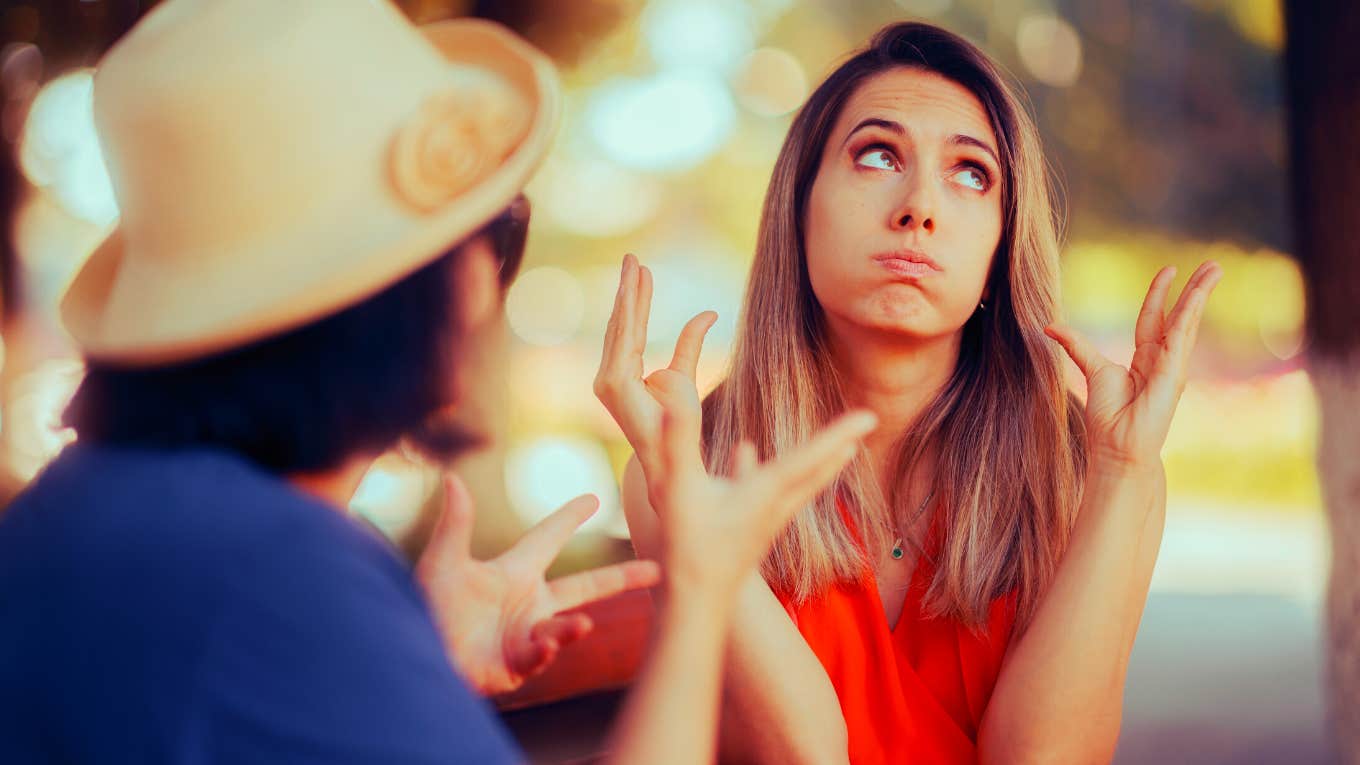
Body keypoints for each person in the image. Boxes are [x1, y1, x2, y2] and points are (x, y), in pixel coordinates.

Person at [0, 1, 877, 762]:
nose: (494, 285)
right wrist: (701, 588)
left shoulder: (76, 515)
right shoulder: (270, 579)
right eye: (492, 232)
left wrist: (409, 664)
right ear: (397, 294)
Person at [596, 21, 1223, 764]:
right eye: (877, 155)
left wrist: (1122, 472)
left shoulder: (1099, 470)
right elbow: (801, 751)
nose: (919, 206)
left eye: (970, 173)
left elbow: (1043, 757)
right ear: (797, 211)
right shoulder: (682, 469)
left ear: (999, 247)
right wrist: (682, 497)